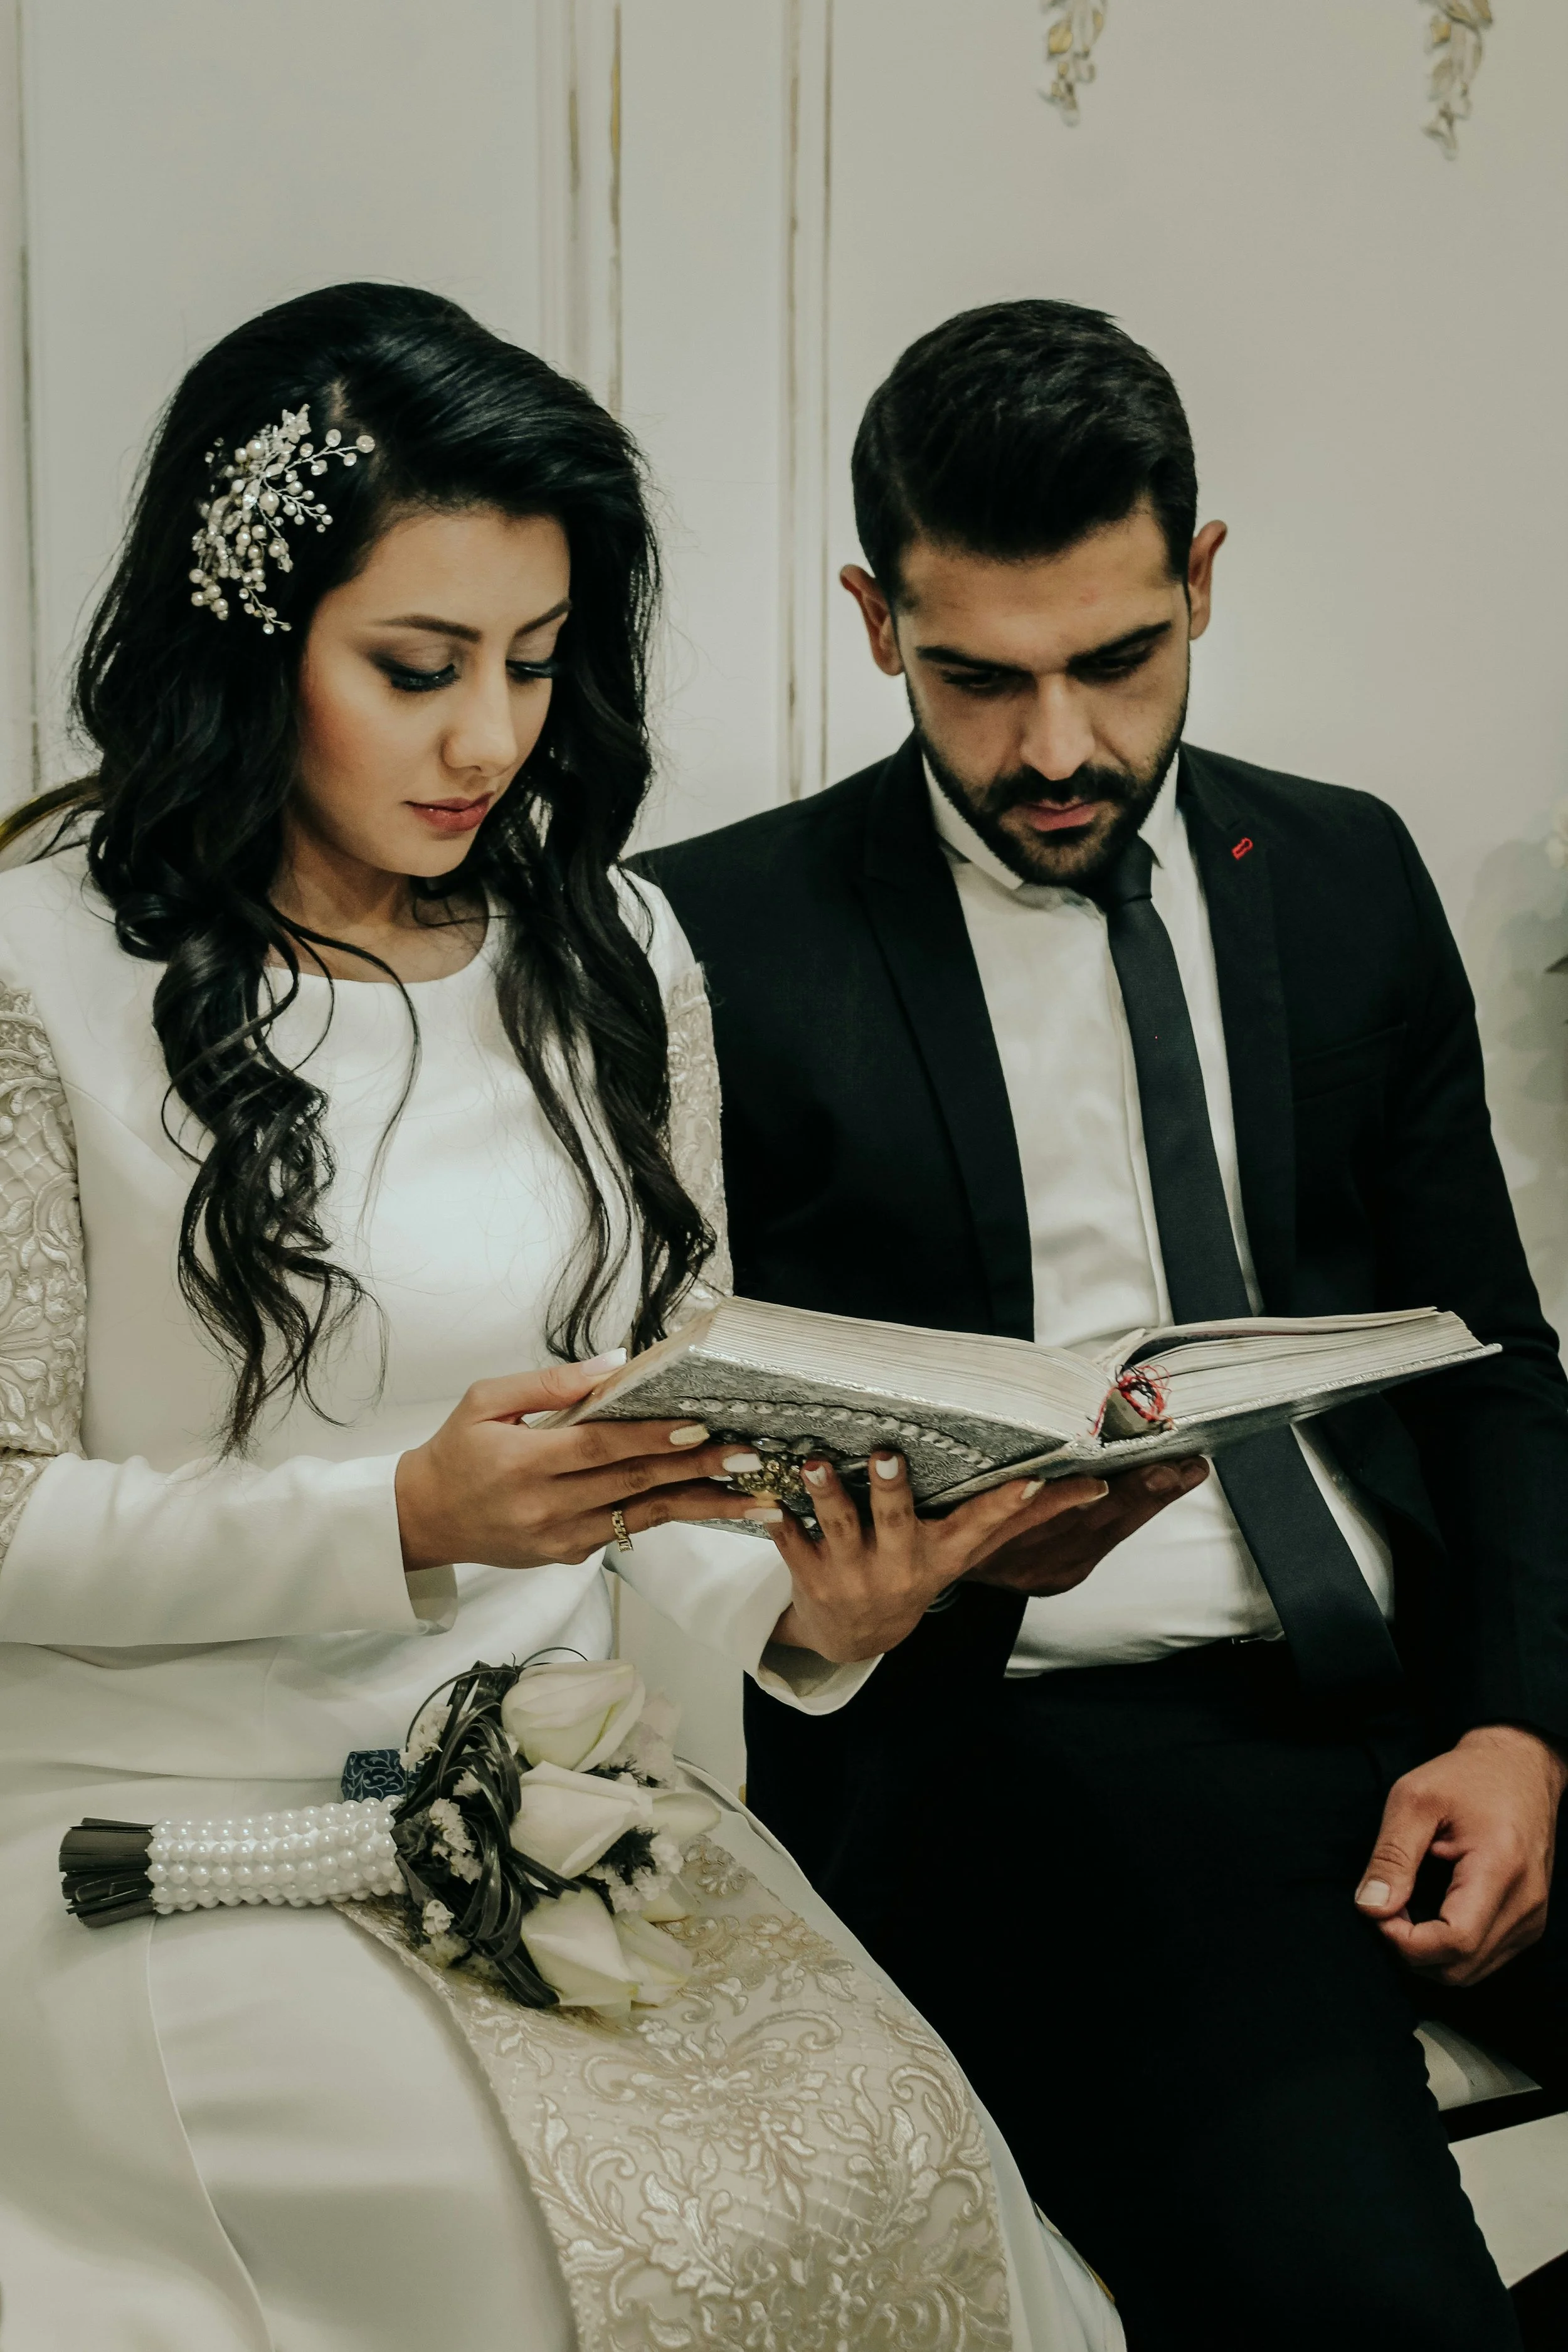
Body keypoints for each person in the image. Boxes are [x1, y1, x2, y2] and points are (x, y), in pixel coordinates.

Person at [0, 283, 1126, 2352]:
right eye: (413, 668)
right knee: (559, 2261)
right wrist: (401, 1515)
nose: (489, 738)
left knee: (902, 2166)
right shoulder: (35, 972)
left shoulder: (610, 947)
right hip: (153, 1820)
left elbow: (657, 1458)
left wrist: (807, 1614)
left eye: (533, 662)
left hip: (573, 1782)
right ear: (248, 642)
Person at [641, 299, 1568, 2351]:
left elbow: (1495, 1351)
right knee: (1382, 2318)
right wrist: (841, 1579)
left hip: (1419, 1678)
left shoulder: (1337, 871)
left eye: (1115, 661)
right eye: (977, 676)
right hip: (1059, 1743)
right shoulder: (711, 940)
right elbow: (662, 1456)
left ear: (1201, 583)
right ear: (877, 621)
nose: (1053, 747)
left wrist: (1517, 1720)